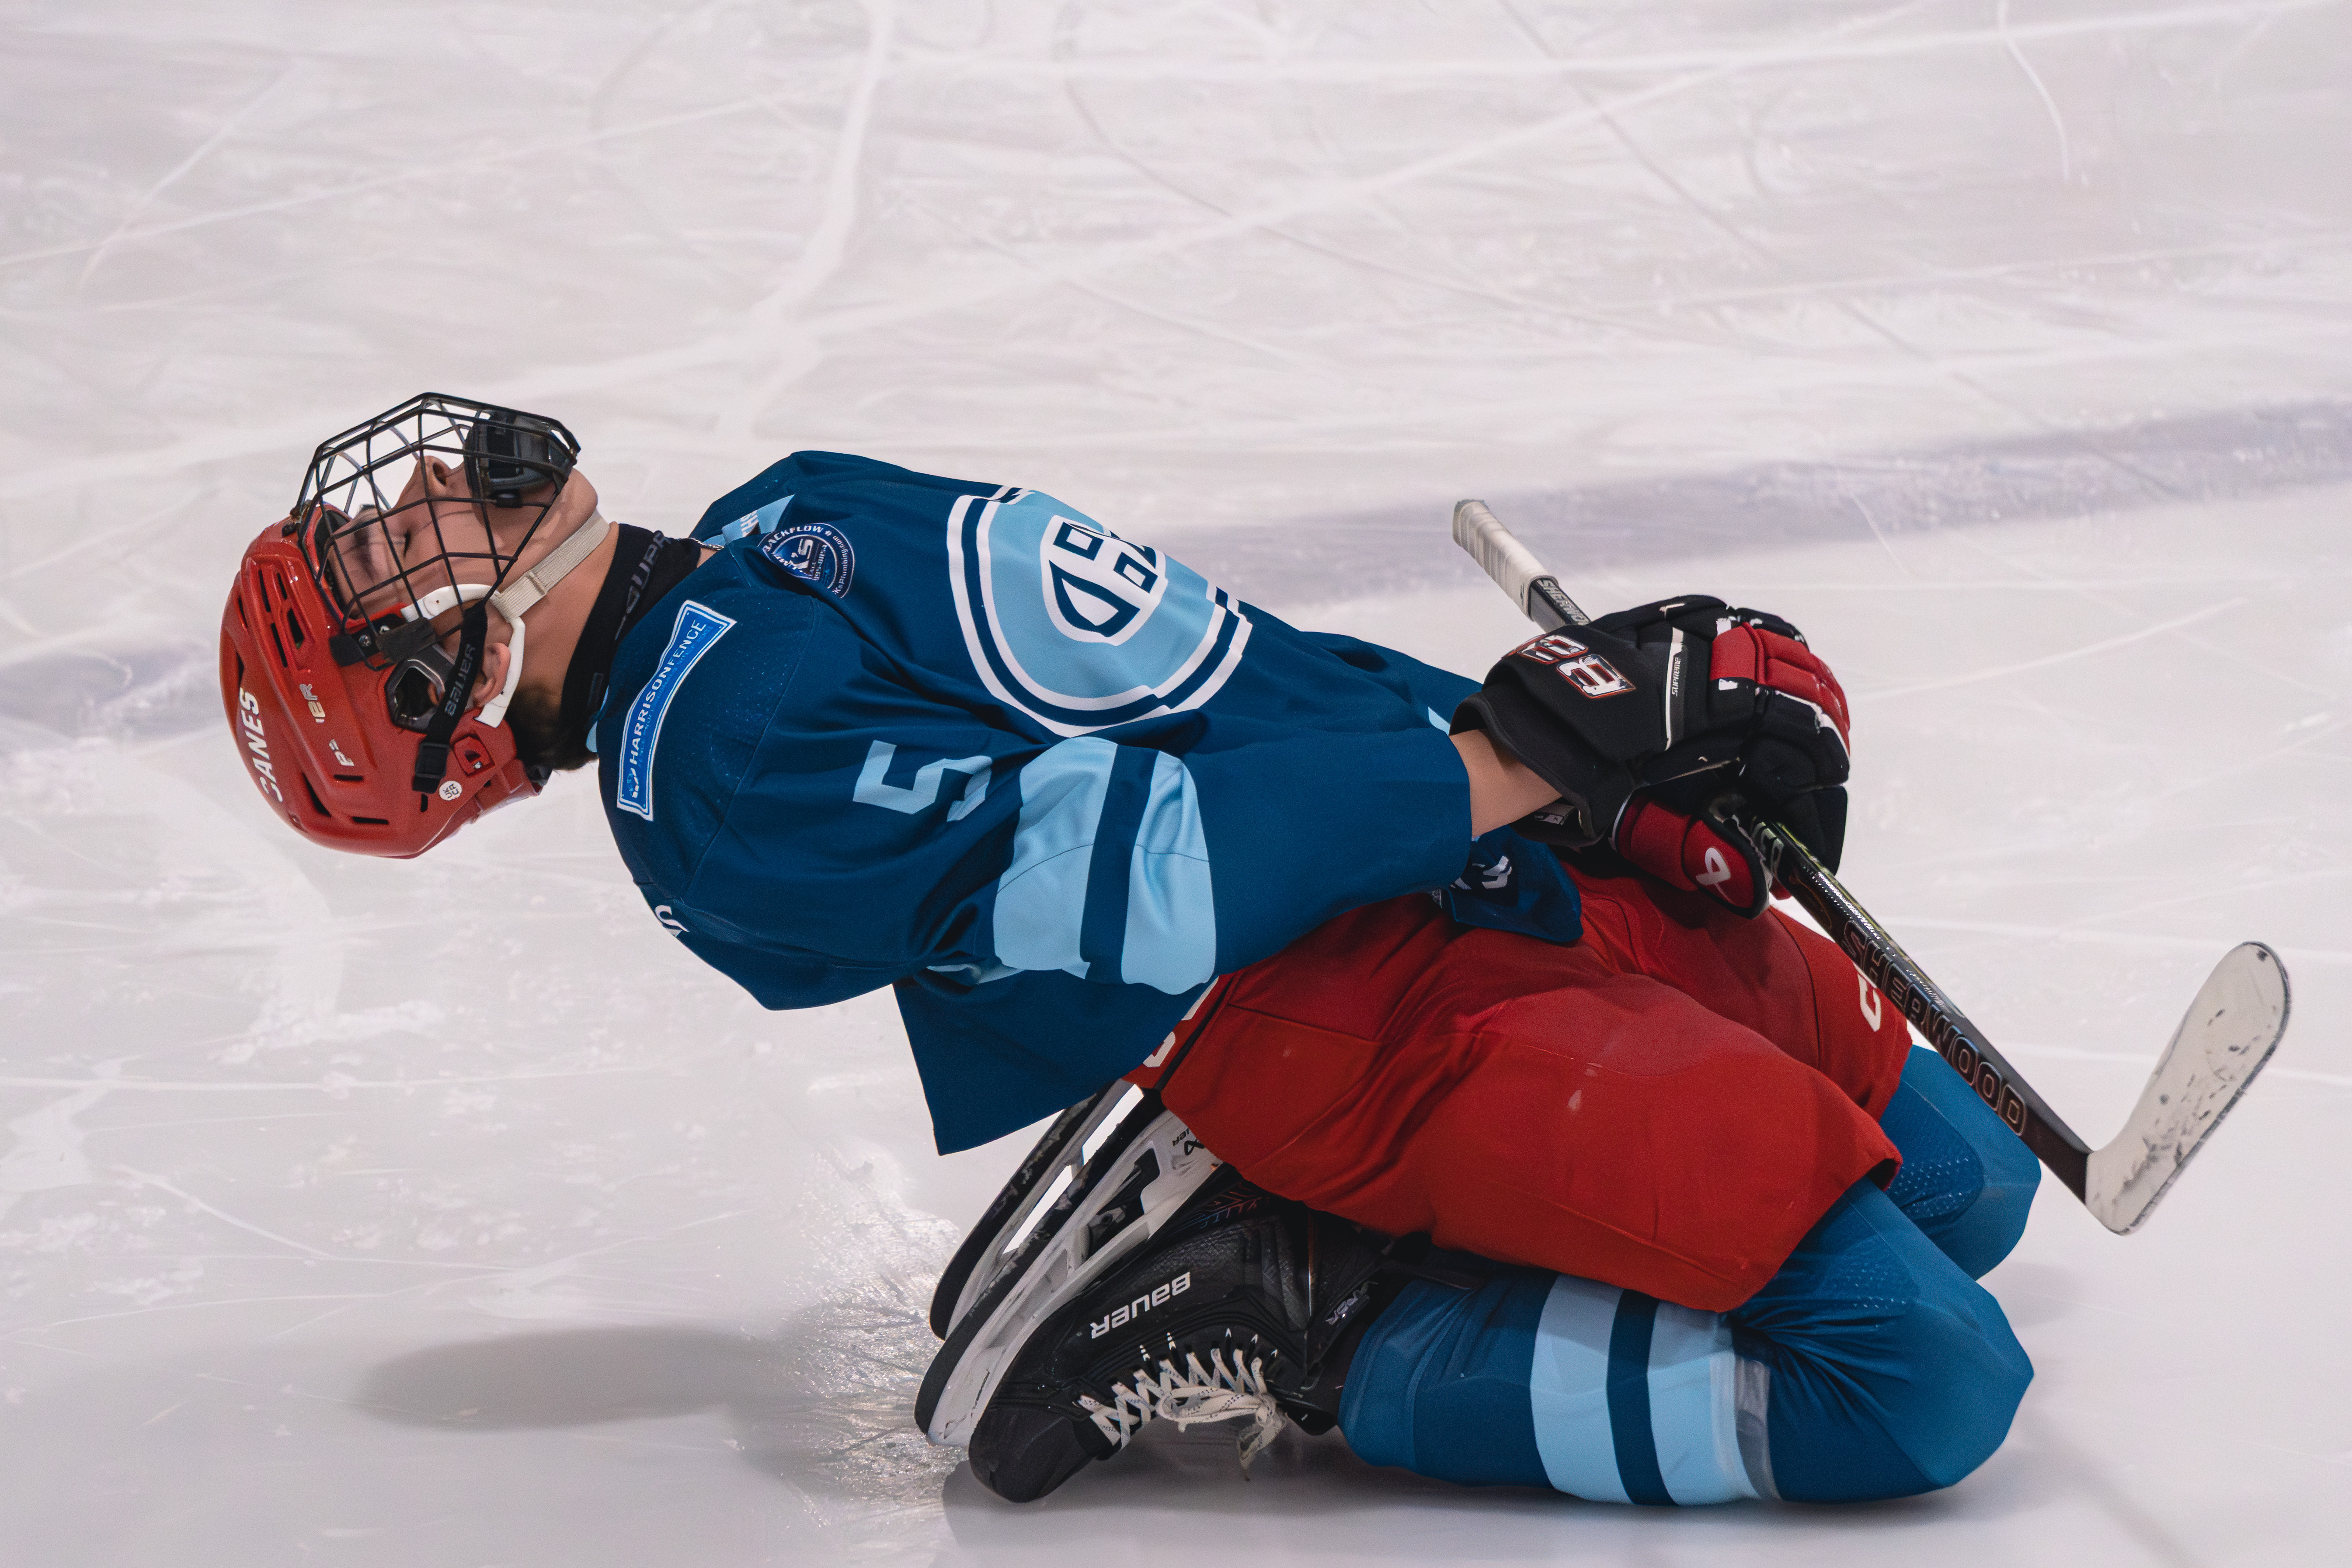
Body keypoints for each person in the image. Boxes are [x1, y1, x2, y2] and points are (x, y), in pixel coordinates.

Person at [222, 394, 2038, 1509]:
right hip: (1329, 1016)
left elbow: (1230, 676)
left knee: (1972, 1186)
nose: (411, 493)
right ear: (436, 690)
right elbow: (1152, 882)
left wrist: (1569, 784)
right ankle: (1317, 1313)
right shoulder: (718, 791)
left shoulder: (791, 507)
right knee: (1921, 1386)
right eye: (378, 553)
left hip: (1427, 853)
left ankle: (1340, 1236)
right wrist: (1509, 765)